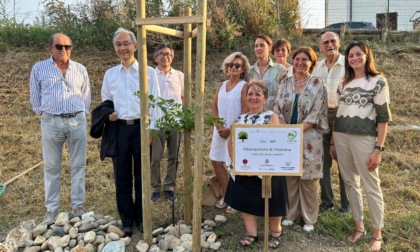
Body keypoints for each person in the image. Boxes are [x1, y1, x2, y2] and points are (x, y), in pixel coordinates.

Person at [329, 41, 391, 252]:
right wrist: (332, 142)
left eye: (358, 54)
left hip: (364, 139)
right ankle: (359, 227)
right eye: (350, 55)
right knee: (350, 183)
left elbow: (383, 119)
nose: (354, 58)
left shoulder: (378, 82)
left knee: (371, 185)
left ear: (367, 56)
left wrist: (378, 149)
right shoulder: (342, 82)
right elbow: (337, 114)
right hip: (341, 137)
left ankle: (377, 233)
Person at [101, 28, 161, 237]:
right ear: (115, 48)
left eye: (126, 43)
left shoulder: (148, 72)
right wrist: (108, 114)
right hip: (119, 130)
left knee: (142, 176)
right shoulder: (110, 75)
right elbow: (106, 101)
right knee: (122, 176)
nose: (122, 48)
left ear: (135, 46)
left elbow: (156, 102)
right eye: (118, 44)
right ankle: (126, 221)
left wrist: (153, 128)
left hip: (142, 128)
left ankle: (142, 218)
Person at [30, 33, 91, 224]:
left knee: (78, 165)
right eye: (59, 46)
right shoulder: (39, 68)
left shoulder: (80, 69)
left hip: (76, 121)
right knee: (51, 167)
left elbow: (86, 94)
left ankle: (78, 207)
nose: (64, 50)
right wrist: (44, 113)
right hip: (51, 122)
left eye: (68, 46)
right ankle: (52, 210)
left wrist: (82, 112)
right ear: (50, 48)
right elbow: (35, 96)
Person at [224, 80, 288, 249]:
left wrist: (260, 165)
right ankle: (251, 232)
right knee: (246, 199)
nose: (253, 97)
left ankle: (275, 232)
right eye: (250, 94)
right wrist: (237, 164)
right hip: (244, 169)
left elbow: (276, 143)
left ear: (265, 98)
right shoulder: (239, 118)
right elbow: (231, 143)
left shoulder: (271, 117)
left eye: (257, 94)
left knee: (272, 199)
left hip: (267, 169)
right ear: (245, 98)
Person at [273, 46, 329, 232]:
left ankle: (309, 218)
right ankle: (290, 213)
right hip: (286, 135)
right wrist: (285, 129)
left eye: (305, 60)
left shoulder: (317, 83)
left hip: (309, 137)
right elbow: (276, 108)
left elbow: (317, 112)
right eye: (297, 59)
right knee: (289, 177)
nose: (300, 63)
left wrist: (296, 131)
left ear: (312, 63)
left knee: (309, 179)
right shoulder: (285, 83)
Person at [313, 31, 350, 214]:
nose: (329, 45)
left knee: (343, 161)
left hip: (342, 116)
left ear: (339, 42)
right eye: (325, 42)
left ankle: (346, 203)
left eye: (333, 41)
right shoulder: (317, 68)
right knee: (323, 160)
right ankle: (327, 201)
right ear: (320, 46)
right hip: (321, 116)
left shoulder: (348, 64)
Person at [209, 52, 250, 213]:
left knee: (234, 165)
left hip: (236, 131)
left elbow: (245, 111)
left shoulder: (244, 86)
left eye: (237, 65)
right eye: (230, 65)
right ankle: (226, 194)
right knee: (216, 161)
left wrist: (230, 130)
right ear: (226, 67)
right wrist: (219, 126)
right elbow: (214, 107)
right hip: (219, 130)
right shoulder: (221, 85)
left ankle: (236, 199)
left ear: (243, 68)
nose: (233, 68)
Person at [150, 43, 184, 203]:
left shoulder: (179, 75)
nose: (165, 57)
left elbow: (183, 98)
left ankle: (169, 186)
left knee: (173, 157)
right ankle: (155, 187)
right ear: (156, 57)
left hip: (175, 123)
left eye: (169, 54)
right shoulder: (150, 75)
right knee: (154, 158)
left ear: (172, 57)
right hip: (156, 123)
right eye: (162, 54)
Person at [248, 34, 288, 110]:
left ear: (270, 48)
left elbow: (286, 94)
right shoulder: (249, 71)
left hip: (274, 115)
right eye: (256, 46)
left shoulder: (280, 69)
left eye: (262, 45)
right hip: (253, 115)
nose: (258, 48)